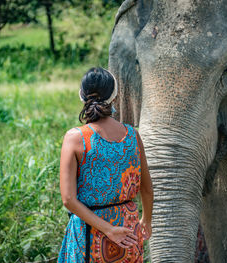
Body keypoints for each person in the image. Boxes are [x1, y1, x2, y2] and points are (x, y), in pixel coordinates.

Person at [57, 67, 153, 262]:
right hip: (129, 230)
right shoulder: (132, 135)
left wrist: (109, 230)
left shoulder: (75, 138)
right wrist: (146, 221)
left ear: (82, 96)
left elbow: (68, 199)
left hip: (89, 233)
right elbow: (147, 188)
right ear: (114, 97)